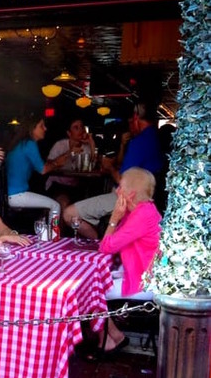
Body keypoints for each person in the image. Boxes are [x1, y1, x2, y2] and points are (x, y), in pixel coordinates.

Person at [63, 103, 163, 239]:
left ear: (135, 117)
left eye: (129, 123)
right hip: (145, 199)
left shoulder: (139, 142)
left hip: (126, 197)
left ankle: (99, 245)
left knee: (69, 213)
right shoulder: (156, 138)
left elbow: (122, 181)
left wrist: (109, 167)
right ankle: (103, 238)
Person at [94, 167, 162, 354]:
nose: (117, 190)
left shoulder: (141, 215)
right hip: (138, 274)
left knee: (92, 291)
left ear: (130, 193)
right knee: (94, 283)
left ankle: (109, 338)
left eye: (120, 186)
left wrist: (114, 218)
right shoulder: (142, 210)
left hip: (143, 284)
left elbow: (105, 247)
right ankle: (114, 335)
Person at [5, 114, 68, 215]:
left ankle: (45, 229)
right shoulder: (29, 144)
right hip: (18, 195)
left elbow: (42, 165)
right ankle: (53, 231)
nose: (45, 128)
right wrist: (57, 163)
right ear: (32, 128)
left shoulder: (21, 143)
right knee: (55, 205)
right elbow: (43, 170)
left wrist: (56, 162)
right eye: (41, 126)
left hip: (10, 194)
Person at [45, 117, 97, 211]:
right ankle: (57, 226)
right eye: (76, 128)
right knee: (63, 203)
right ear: (69, 133)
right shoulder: (60, 145)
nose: (80, 130)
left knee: (86, 205)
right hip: (57, 184)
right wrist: (70, 152)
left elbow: (91, 167)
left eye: (81, 127)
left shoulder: (85, 147)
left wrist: (92, 143)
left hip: (75, 186)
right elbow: (48, 163)